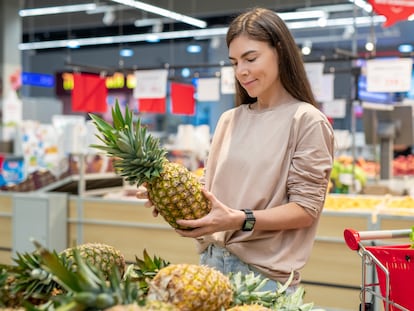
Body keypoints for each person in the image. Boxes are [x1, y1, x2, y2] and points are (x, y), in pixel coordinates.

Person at [140, 7, 334, 293]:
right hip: (210, 268)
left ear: (279, 51)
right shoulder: (229, 119)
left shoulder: (306, 120)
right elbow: (211, 188)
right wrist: (167, 192)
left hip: (264, 281)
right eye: (234, 62)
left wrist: (241, 219)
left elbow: (306, 209)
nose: (241, 71)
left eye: (251, 58)